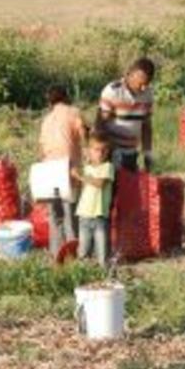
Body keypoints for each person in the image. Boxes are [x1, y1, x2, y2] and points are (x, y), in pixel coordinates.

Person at [37, 85, 88, 256]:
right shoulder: (73, 112)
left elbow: (42, 149)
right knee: (70, 213)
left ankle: (56, 253)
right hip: (67, 167)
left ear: (50, 102)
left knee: (55, 215)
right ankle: (74, 254)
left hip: (48, 169)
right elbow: (84, 136)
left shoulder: (46, 119)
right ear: (66, 97)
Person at [96, 57, 156, 172]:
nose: (143, 88)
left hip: (131, 152)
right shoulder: (113, 91)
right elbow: (100, 123)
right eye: (141, 83)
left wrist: (148, 153)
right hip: (112, 151)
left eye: (147, 84)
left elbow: (146, 125)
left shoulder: (147, 94)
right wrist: (102, 153)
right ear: (131, 75)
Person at [71, 132, 114, 267]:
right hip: (84, 215)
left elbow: (99, 184)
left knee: (102, 254)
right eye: (96, 150)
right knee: (83, 251)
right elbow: (83, 187)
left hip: (99, 216)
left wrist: (80, 177)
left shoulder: (108, 167)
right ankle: (83, 276)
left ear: (108, 151)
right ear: (89, 151)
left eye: (104, 150)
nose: (100, 153)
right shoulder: (87, 168)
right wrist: (76, 177)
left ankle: (104, 277)